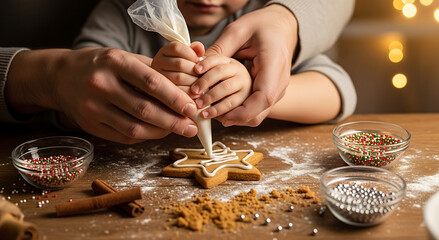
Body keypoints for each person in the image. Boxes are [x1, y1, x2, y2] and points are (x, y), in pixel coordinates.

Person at [0, 0, 355, 144]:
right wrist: (137, 88)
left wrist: (256, 90)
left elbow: (338, 90)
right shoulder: (120, 15)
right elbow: (77, 95)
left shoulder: (258, 24)